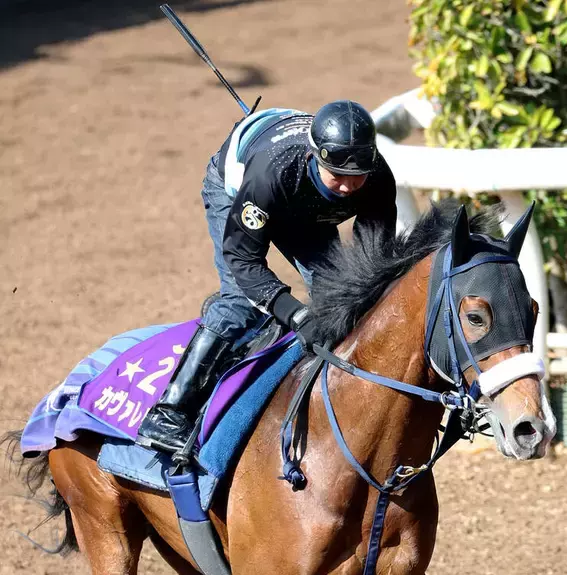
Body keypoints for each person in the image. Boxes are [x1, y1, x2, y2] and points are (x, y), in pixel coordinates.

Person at [138, 100, 398, 453]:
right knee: (239, 302)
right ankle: (168, 413)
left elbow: (372, 262)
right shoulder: (268, 176)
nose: (349, 187)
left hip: (306, 213)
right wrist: (292, 311)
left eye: (357, 177)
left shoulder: (378, 178)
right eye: (337, 176)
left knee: (344, 300)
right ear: (313, 157)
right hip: (244, 192)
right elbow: (242, 258)